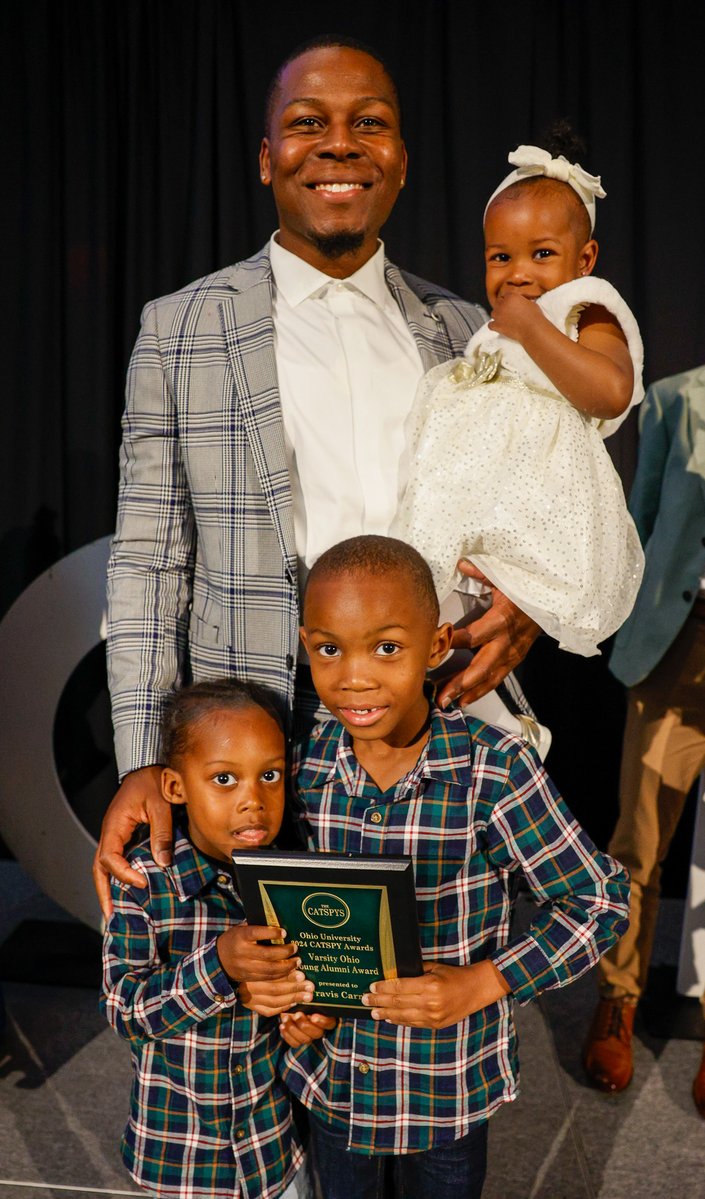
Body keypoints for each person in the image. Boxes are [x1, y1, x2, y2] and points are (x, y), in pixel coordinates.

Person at [95, 35, 543, 918]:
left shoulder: (469, 333)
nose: (339, 144)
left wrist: (527, 602)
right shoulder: (180, 328)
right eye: (308, 124)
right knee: (267, 1008)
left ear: (401, 163)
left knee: (418, 1014)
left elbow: (529, 517)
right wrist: (143, 758)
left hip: (436, 726)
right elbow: (147, 561)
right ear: (268, 160)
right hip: (258, 738)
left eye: (367, 124)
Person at [281, 534, 629, 1198]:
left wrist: (483, 982)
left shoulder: (492, 770)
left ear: (437, 646)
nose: (354, 675)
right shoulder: (300, 763)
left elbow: (599, 900)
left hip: (444, 1090)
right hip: (332, 1082)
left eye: (386, 647)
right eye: (330, 648)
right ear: (306, 643)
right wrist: (295, 1002)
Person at [395, 129, 645, 659]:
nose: (520, 274)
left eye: (543, 254)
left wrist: (533, 328)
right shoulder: (496, 325)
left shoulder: (586, 308)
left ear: (584, 260)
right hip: (475, 486)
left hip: (545, 498)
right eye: (501, 257)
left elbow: (612, 390)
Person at [101, 677, 336, 1199]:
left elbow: (308, 988)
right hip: (179, 1156)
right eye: (225, 779)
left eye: (269, 776)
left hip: (272, 1148)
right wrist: (220, 966)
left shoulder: (291, 879)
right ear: (175, 787)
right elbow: (124, 1009)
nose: (253, 801)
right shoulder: (146, 882)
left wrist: (306, 1015)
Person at [582, 364, 705, 1113]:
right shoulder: (673, 398)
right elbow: (641, 519)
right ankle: (616, 996)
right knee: (639, 838)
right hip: (678, 642)